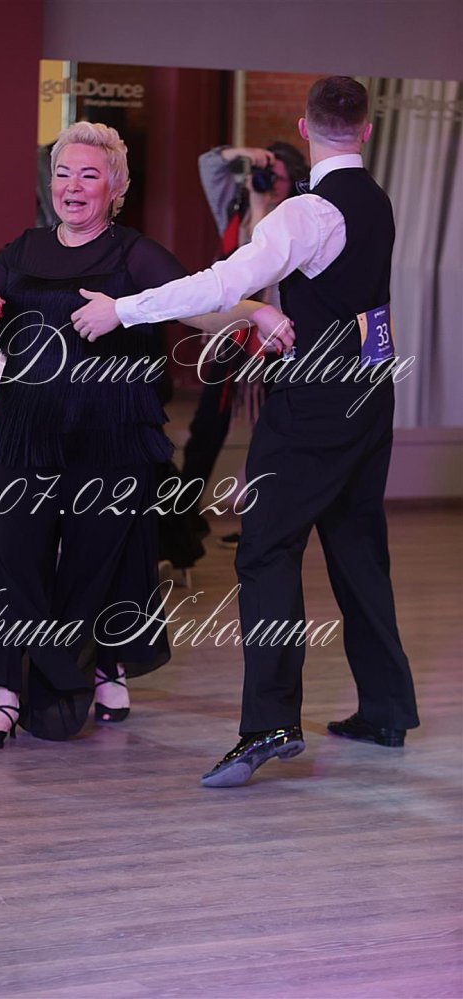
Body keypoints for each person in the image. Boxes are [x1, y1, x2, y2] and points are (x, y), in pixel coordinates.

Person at [71, 78, 420, 785]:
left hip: (312, 404)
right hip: (370, 393)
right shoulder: (377, 201)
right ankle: (385, 709)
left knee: (264, 550)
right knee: (357, 547)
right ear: (366, 130)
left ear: (305, 126)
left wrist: (123, 309)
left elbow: (222, 284)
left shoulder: (308, 212)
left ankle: (269, 724)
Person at [0, 121, 287, 748]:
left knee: (100, 558)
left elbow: (199, 305)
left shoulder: (134, 254)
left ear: (115, 189)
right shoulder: (21, 250)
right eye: (62, 173)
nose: (72, 186)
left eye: (88, 175)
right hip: (25, 428)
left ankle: (104, 668)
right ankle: (5, 695)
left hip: (110, 432)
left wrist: (255, 310)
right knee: (10, 558)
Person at [185, 142, 309, 545]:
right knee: (207, 426)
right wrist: (245, 153)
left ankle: (262, 522)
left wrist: (261, 207)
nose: (269, 184)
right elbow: (207, 163)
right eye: (265, 175)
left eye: (278, 178)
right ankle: (180, 519)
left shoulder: (298, 221)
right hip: (233, 336)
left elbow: (260, 269)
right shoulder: (235, 211)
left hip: (276, 341)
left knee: (272, 434)